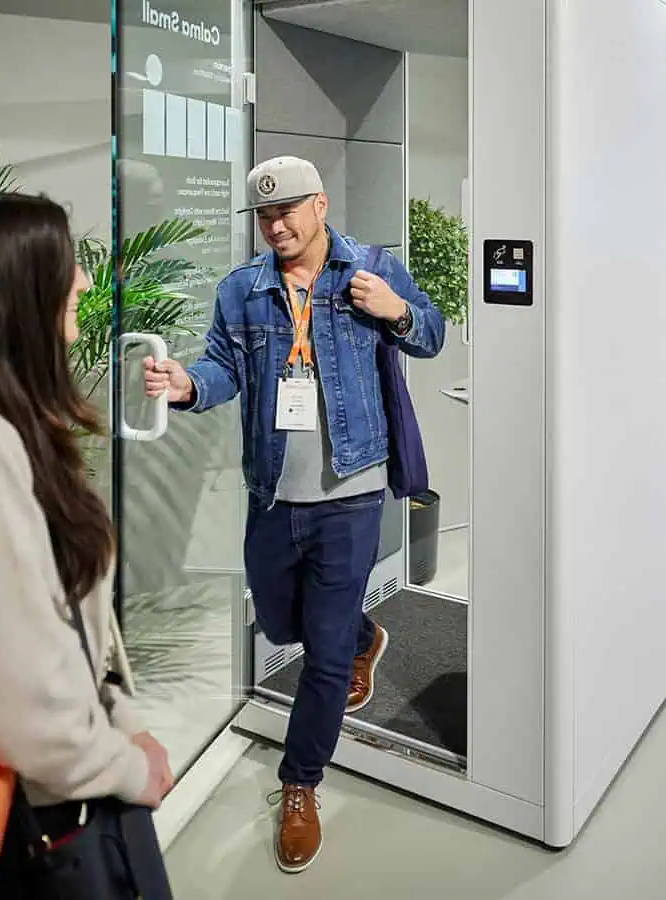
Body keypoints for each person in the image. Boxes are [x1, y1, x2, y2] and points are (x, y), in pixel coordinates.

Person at [143, 155, 445, 873]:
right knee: (283, 620)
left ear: (320, 205)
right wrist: (187, 385)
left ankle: (300, 782)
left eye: (287, 211)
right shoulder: (242, 289)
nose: (275, 226)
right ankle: (363, 635)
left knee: (323, 653)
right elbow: (223, 369)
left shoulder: (370, 269)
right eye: (264, 215)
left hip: (352, 491)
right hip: (273, 490)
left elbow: (430, 334)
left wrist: (397, 310)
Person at [0, 193, 173, 896]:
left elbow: (67, 631)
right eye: (66, 264)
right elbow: (23, 694)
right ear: (11, 293)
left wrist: (122, 719)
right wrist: (125, 765)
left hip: (61, 799)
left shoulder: (0, 431)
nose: (83, 280)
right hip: (45, 826)